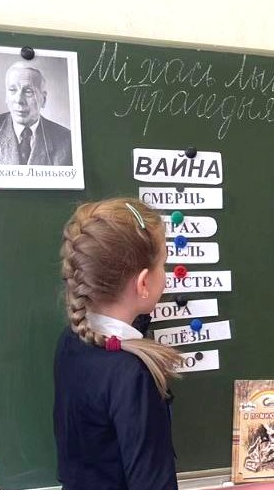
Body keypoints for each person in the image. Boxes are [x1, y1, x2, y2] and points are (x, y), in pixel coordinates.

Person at [54, 197, 182, 490]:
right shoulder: (133, 374)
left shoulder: (72, 340)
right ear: (143, 284)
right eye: (163, 264)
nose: (167, 274)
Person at [0, 61, 72, 166]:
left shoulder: (67, 140)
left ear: (44, 99)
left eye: (28, 91)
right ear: (6, 97)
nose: (19, 100)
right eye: (12, 90)